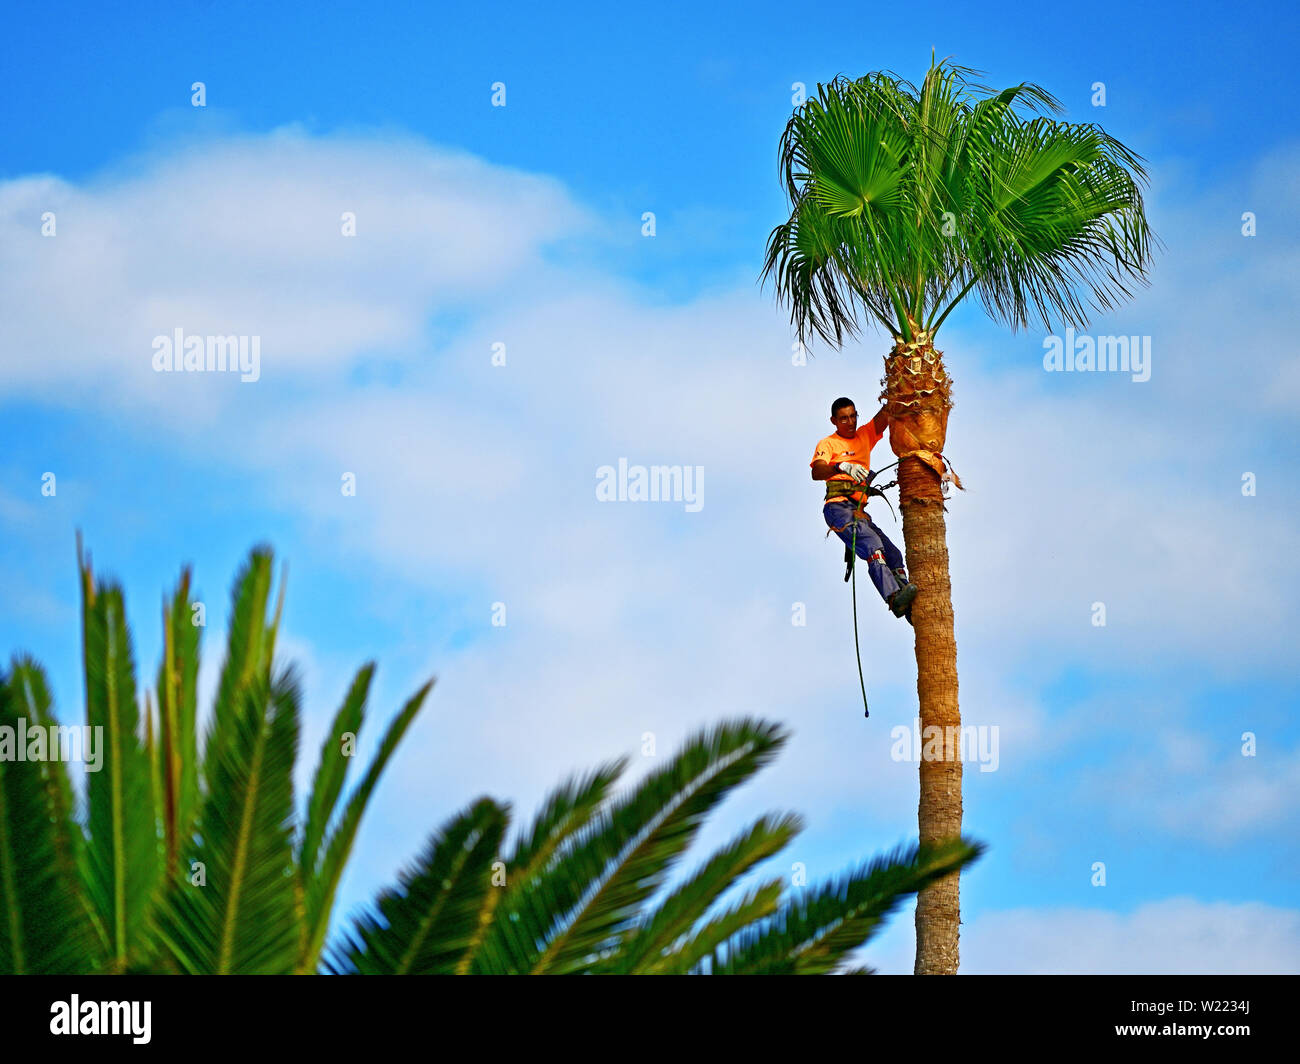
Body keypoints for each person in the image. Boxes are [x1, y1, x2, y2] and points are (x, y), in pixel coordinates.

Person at [810, 397, 918, 622]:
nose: (850, 422)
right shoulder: (828, 444)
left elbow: (884, 416)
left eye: (853, 416)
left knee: (893, 554)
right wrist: (841, 466)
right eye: (844, 419)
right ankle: (893, 597)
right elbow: (817, 471)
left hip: (858, 510)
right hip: (838, 508)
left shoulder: (864, 435)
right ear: (834, 421)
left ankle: (909, 602)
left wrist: (896, 391)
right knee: (873, 546)